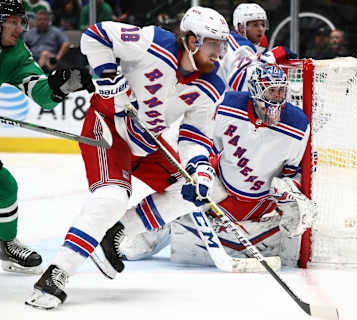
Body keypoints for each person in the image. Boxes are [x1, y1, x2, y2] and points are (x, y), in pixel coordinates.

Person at [25, 6, 229, 310]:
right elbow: (96, 35)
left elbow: (195, 136)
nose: (220, 52)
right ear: (191, 40)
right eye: (214, 43)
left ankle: (116, 233)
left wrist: (198, 169)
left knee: (201, 191)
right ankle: (57, 274)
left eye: (222, 44)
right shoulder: (152, 42)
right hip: (107, 128)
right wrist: (106, 74)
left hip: (147, 142)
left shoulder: (212, 85)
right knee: (111, 198)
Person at [106, 63, 311, 267]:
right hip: (221, 178)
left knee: (282, 194)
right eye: (271, 91)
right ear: (255, 90)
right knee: (181, 197)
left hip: (257, 202)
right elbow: (205, 141)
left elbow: (292, 172)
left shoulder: (298, 125)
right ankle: (128, 237)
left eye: (281, 91)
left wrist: (288, 192)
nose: (277, 97)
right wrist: (200, 170)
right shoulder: (229, 105)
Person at [0, 0, 93, 275]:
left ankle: (5, 242)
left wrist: (58, 85)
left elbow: (40, 93)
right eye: (13, 22)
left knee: (5, 187)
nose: (20, 28)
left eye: (21, 21)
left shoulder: (15, 52)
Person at [219, 2, 296, 92]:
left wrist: (261, 57)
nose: (261, 29)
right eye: (255, 25)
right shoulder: (239, 46)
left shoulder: (234, 41)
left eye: (263, 25)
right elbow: (243, 85)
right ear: (241, 28)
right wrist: (271, 57)